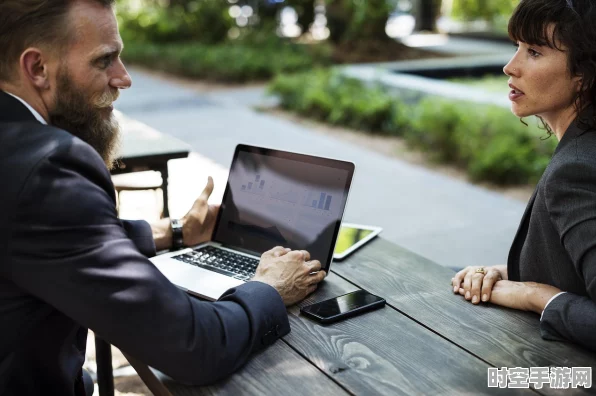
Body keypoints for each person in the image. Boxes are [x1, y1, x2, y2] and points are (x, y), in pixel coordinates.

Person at [0, 0, 326, 395]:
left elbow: (39, 236)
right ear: (37, 69)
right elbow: (193, 347)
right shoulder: (49, 167)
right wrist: (270, 288)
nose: (123, 78)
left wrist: (173, 232)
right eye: (105, 61)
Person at [451, 0, 596, 351]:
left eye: (533, 51)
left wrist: (535, 296)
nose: (509, 67)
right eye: (516, 47)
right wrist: (505, 273)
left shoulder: (575, 172)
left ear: (584, 73)